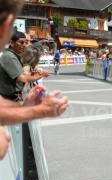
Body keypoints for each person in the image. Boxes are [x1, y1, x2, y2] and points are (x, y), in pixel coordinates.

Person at [0, 0, 69, 160]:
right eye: (22, 42)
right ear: (7, 26)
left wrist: (28, 107)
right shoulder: (9, 56)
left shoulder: (14, 56)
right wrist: (41, 110)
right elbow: (23, 77)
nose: (25, 45)